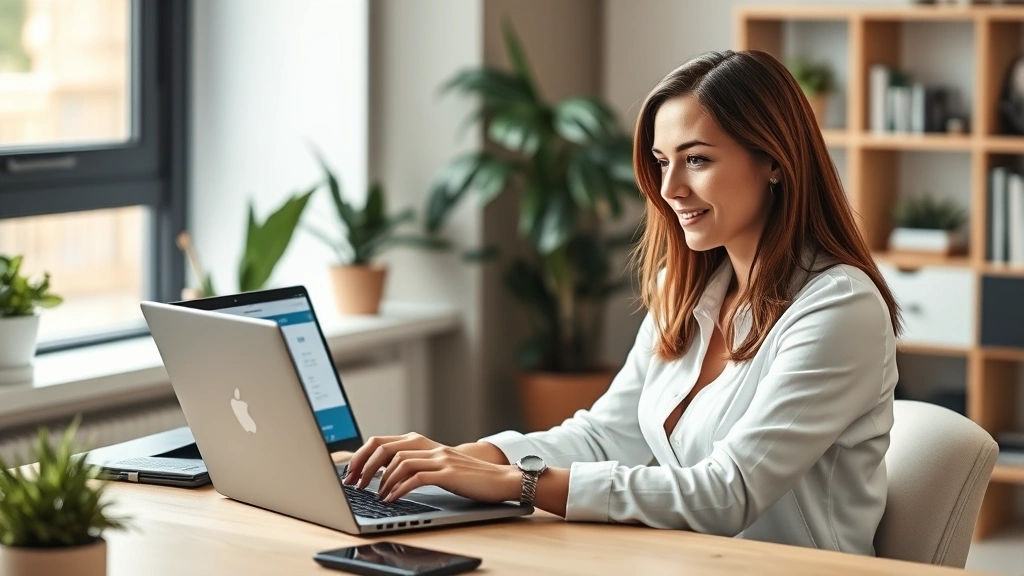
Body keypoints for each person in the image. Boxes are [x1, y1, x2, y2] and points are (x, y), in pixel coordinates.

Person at [343, 50, 901, 556]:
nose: (669, 188)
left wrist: (521, 483)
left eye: (697, 160)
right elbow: (607, 435)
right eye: (661, 161)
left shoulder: (839, 308)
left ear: (775, 161)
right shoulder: (683, 290)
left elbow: (729, 492)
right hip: (695, 561)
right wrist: (462, 459)